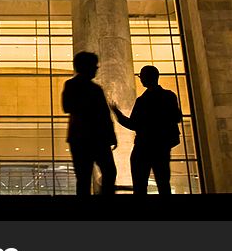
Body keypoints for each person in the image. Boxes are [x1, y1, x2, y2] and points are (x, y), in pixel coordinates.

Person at [112, 65, 182, 195]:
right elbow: (177, 117)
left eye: (141, 76)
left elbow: (132, 124)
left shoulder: (142, 100)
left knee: (140, 185)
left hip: (144, 146)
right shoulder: (169, 96)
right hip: (162, 145)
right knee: (163, 182)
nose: (140, 79)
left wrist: (118, 115)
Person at [62, 51, 117, 195]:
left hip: (83, 138)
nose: (96, 68)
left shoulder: (80, 86)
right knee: (93, 174)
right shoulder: (87, 88)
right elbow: (68, 106)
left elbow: (104, 114)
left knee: (86, 177)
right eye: (94, 65)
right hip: (91, 138)